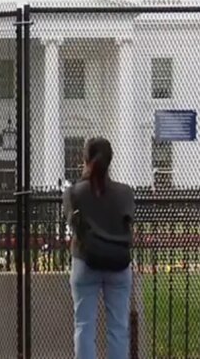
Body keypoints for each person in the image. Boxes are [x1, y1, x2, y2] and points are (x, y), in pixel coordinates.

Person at [62, 137, 135, 359]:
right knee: (118, 328)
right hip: (119, 263)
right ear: (110, 160)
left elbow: (72, 225)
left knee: (84, 326)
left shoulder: (74, 193)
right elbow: (128, 223)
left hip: (86, 261)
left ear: (84, 159)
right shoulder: (125, 193)